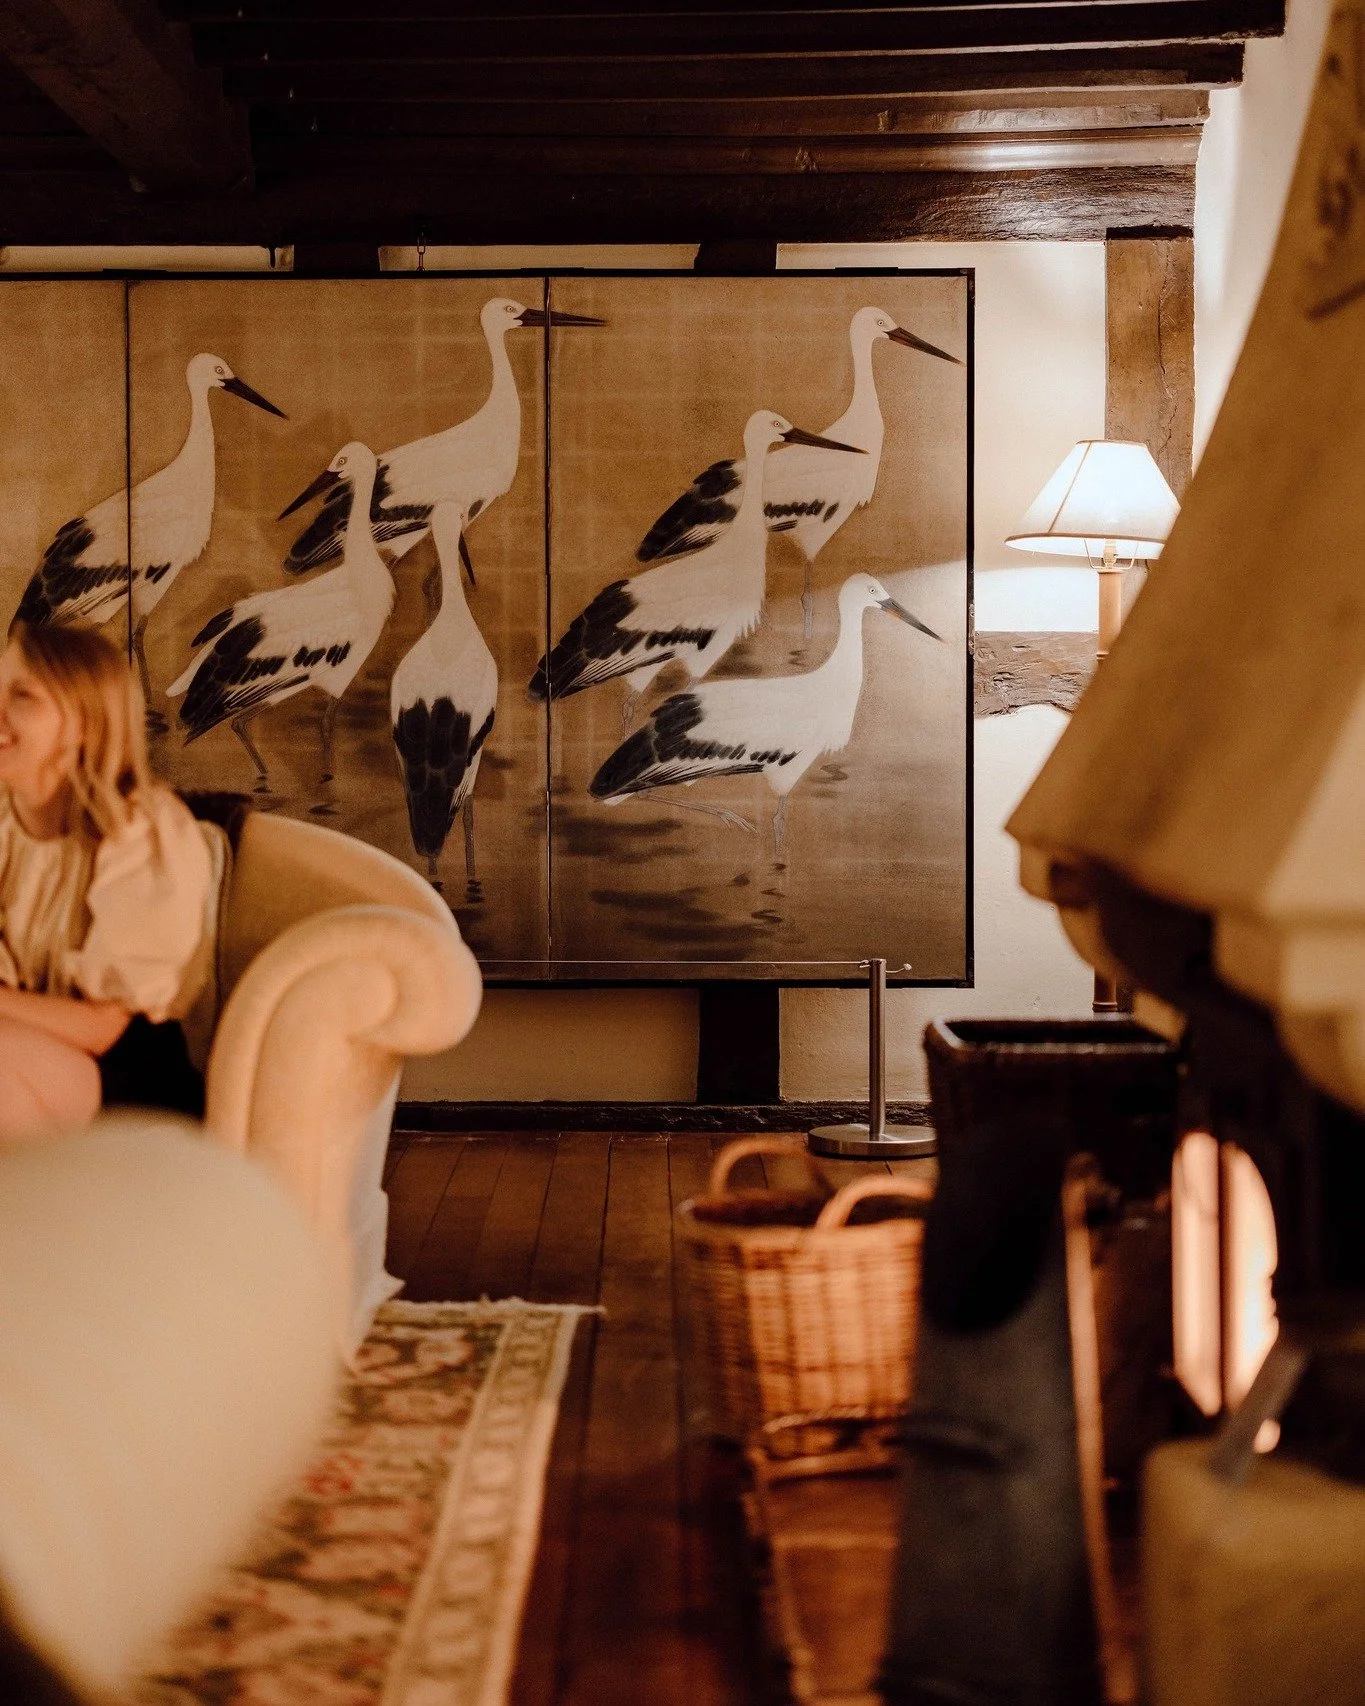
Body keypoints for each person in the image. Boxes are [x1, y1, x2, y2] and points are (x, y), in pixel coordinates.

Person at [0, 620, 223, 1143]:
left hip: (128, 1080)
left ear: (84, 723)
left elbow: (103, 1028)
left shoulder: (139, 834)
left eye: (22, 697)